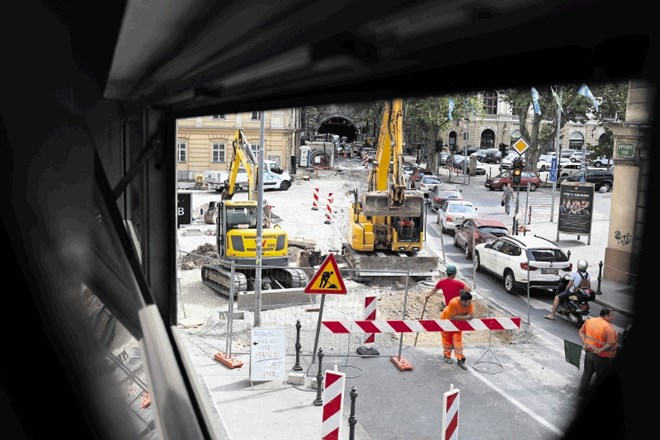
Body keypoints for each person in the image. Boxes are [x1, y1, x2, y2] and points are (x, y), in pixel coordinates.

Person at [577, 307, 618, 399]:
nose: (613, 318)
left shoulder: (590, 321)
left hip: (589, 353)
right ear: (606, 315)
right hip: (602, 357)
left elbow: (581, 332)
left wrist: (585, 343)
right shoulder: (608, 328)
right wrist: (600, 350)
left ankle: (581, 394)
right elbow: (610, 343)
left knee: (587, 374)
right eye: (612, 315)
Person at [440, 291, 474, 370]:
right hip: (446, 320)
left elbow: (471, 315)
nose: (469, 304)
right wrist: (465, 317)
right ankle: (447, 356)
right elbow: (452, 317)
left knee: (457, 340)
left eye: (470, 302)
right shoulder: (453, 302)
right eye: (468, 302)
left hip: (458, 323)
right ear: (463, 301)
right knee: (447, 339)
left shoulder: (469, 303)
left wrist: (462, 317)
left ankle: (460, 359)